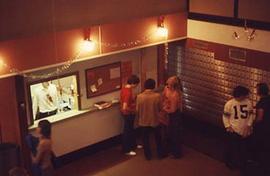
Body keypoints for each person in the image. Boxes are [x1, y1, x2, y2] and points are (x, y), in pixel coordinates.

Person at [222, 86, 254, 169]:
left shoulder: (248, 102)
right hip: (234, 130)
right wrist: (228, 127)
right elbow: (225, 117)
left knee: (243, 148)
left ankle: (241, 163)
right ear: (240, 95)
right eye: (244, 95)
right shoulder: (229, 104)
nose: (245, 97)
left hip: (245, 129)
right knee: (233, 148)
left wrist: (249, 125)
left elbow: (251, 114)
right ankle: (231, 163)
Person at [136, 79, 164, 160]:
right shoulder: (157, 96)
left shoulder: (139, 96)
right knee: (158, 138)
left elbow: (137, 110)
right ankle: (160, 154)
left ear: (145, 86)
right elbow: (160, 108)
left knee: (145, 139)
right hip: (154, 120)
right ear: (154, 86)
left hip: (143, 121)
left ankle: (148, 156)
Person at [162, 76, 183, 158]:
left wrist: (164, 109)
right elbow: (163, 97)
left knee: (174, 134)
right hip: (168, 112)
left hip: (174, 116)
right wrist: (165, 103)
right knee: (167, 133)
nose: (167, 86)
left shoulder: (176, 95)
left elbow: (173, 110)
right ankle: (168, 150)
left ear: (173, 85)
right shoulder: (166, 89)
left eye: (169, 84)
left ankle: (176, 153)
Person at [120, 75, 140, 156]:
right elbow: (125, 107)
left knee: (130, 130)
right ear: (133, 83)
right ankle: (126, 149)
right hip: (128, 114)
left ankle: (133, 145)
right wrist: (133, 110)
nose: (136, 86)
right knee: (127, 131)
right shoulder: (128, 92)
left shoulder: (125, 89)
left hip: (128, 114)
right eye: (136, 84)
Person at [254, 83, 270, 174]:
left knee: (263, 147)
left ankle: (264, 167)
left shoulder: (261, 103)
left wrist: (253, 123)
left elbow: (260, 118)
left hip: (263, 129)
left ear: (259, 92)